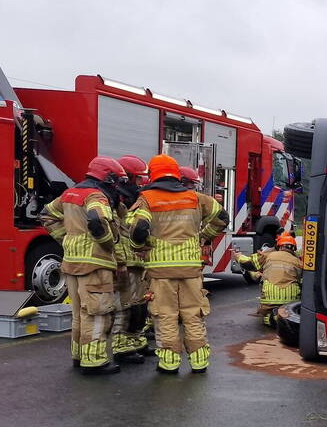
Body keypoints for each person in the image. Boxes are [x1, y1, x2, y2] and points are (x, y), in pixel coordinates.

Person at [128, 155, 228, 374]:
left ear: (153, 173)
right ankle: (199, 362)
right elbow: (223, 218)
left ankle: (169, 364)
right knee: (193, 315)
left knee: (166, 316)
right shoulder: (196, 198)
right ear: (176, 173)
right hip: (191, 270)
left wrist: (141, 246)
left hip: (161, 271)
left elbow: (138, 229)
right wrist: (203, 237)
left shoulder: (147, 198)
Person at [40, 156, 123, 375]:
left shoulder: (70, 194)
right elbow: (97, 221)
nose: (116, 186)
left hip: (71, 263)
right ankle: (94, 361)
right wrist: (108, 245)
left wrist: (65, 239)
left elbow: (47, 215)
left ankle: (79, 356)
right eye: (115, 181)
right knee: (96, 313)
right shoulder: (97, 195)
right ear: (108, 177)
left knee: (78, 314)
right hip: (94, 265)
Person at [112, 155, 152, 362]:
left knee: (139, 306)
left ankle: (137, 342)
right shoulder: (115, 200)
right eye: (138, 179)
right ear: (127, 178)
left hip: (137, 261)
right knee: (124, 307)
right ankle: (121, 347)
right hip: (124, 263)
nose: (141, 184)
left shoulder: (134, 200)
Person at [236, 232, 303, 326]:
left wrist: (238, 256)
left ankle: (271, 317)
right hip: (290, 300)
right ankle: (281, 317)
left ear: (279, 246)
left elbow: (248, 263)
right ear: (294, 248)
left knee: (265, 316)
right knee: (291, 313)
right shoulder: (298, 262)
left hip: (269, 297)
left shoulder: (268, 256)